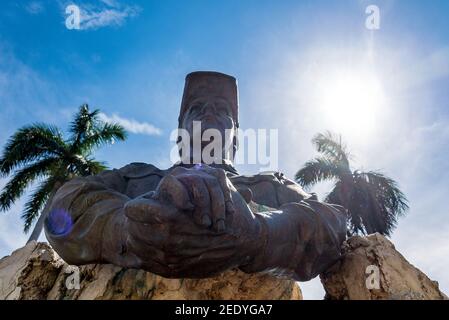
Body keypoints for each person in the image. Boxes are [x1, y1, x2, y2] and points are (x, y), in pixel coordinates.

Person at [45, 71, 347, 281]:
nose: (210, 113)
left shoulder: (272, 186)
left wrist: (260, 236)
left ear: (236, 138)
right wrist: (123, 230)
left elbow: (331, 225)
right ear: (180, 136)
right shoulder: (135, 178)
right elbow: (66, 203)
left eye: (222, 109)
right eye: (197, 108)